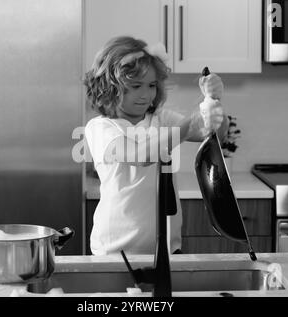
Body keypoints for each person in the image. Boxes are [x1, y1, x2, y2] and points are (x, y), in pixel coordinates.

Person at [84, 36, 228, 255]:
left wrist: (213, 101)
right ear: (108, 87)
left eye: (151, 85)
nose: (146, 94)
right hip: (115, 250)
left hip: (167, 247)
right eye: (135, 86)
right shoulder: (100, 128)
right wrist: (192, 121)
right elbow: (140, 155)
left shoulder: (161, 117)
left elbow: (212, 134)